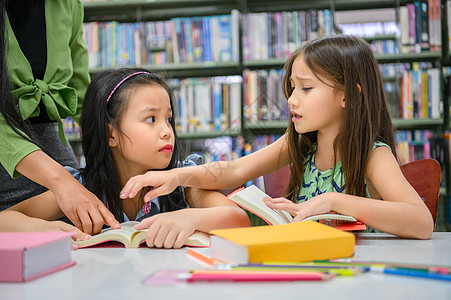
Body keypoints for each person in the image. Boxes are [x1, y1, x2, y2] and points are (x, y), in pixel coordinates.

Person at [120, 35, 434, 239]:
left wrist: (334, 200)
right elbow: (235, 170)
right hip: (311, 264)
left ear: (348, 96)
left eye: (306, 88)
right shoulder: (300, 143)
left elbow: (422, 222)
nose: (292, 100)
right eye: (292, 88)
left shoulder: (371, 154)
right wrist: (177, 176)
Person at [0, 68, 250, 248]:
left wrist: (189, 217)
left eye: (169, 119)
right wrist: (39, 229)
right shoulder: (79, 188)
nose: (166, 131)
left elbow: (238, 219)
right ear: (111, 134)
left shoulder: (180, 181)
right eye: (151, 119)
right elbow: (4, 219)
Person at [0, 0, 120, 234]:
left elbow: (81, 92)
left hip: (53, 155)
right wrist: (62, 182)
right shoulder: (67, 180)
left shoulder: (68, 4)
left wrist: (120, 134)